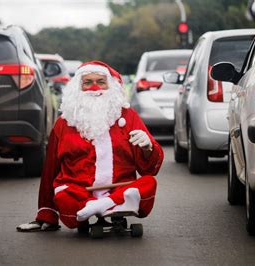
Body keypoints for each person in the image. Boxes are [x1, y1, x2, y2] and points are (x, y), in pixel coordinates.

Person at [17, 61, 164, 232]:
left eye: (101, 82)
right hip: (79, 190)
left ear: (111, 86)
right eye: (87, 82)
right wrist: (47, 213)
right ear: (77, 88)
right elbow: (51, 170)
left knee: (148, 183)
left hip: (119, 187)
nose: (94, 88)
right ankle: (108, 206)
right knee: (63, 194)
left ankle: (99, 206)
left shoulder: (128, 117)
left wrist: (148, 148)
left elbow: (149, 170)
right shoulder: (64, 123)